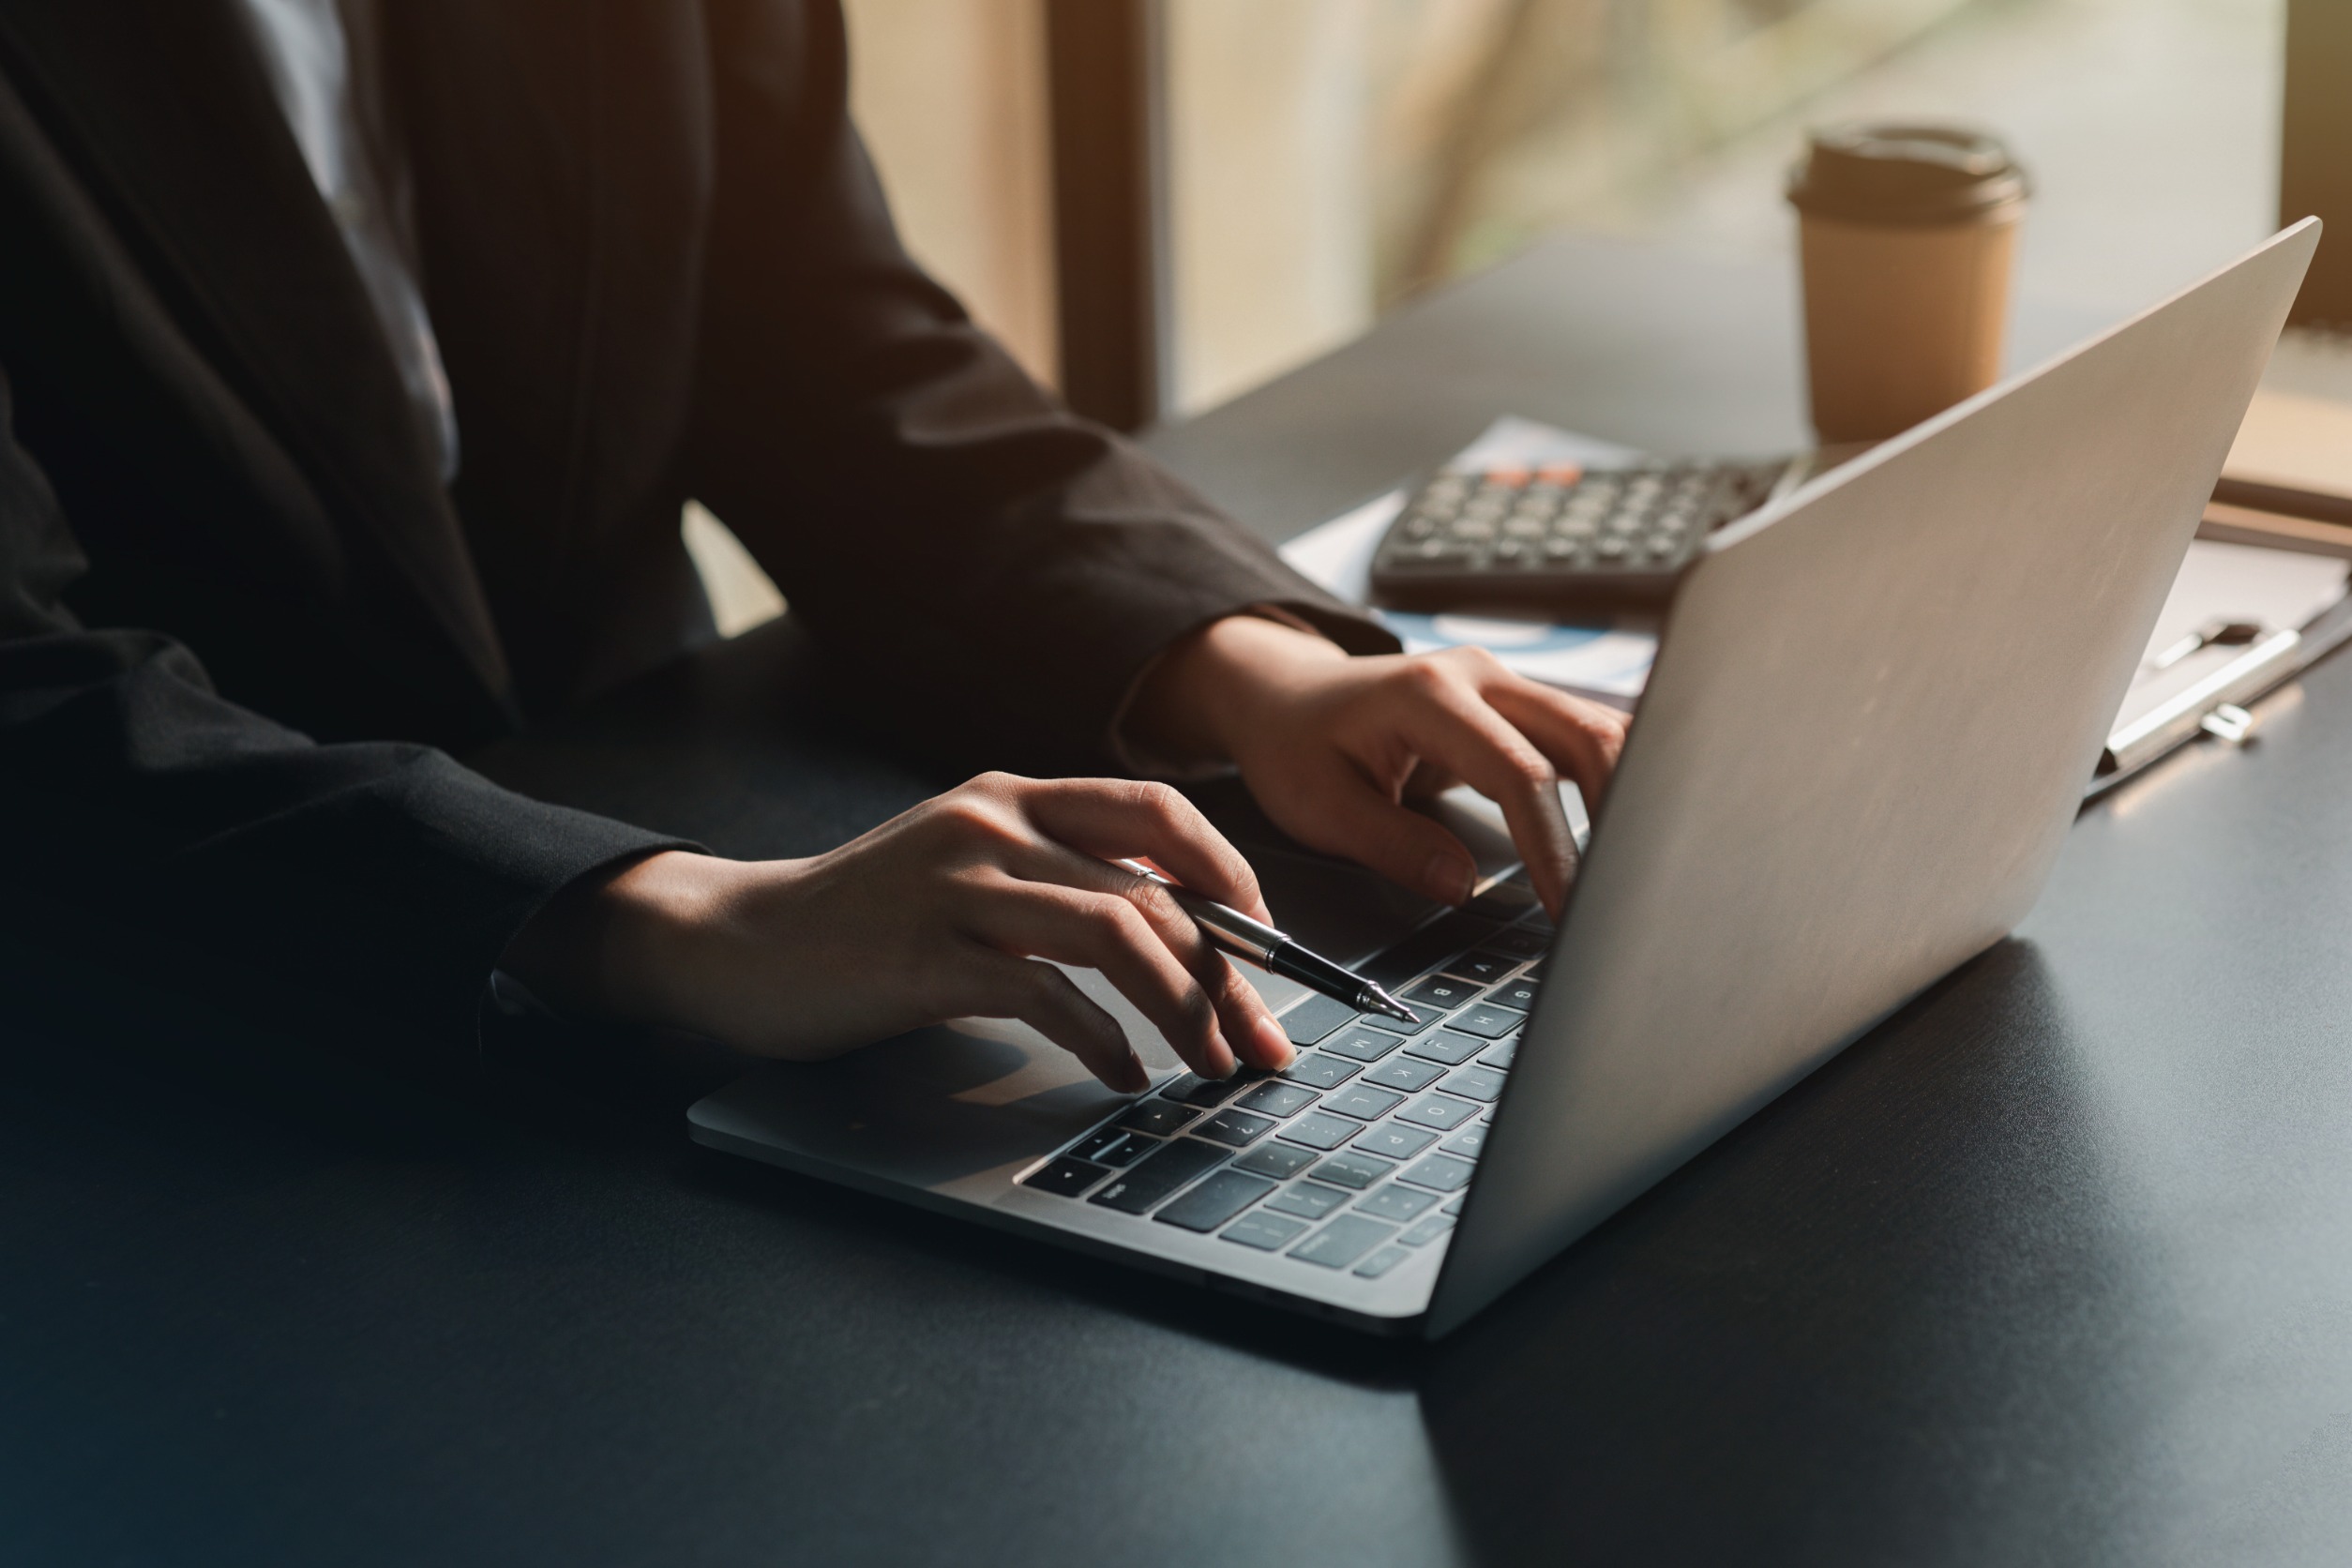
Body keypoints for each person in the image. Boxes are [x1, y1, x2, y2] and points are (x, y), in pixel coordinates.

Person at [0, 0, 1622, 1093]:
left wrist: (1245, 666)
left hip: (655, 862)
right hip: (169, 1063)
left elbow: (819, 348)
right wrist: (682, 918)